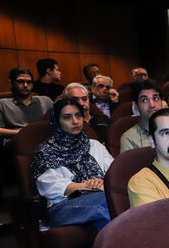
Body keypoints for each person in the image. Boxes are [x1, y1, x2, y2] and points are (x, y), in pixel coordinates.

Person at [29, 98, 112, 230]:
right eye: (67, 117)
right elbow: (52, 188)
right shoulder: (46, 152)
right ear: (57, 122)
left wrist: (102, 184)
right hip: (62, 207)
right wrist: (91, 186)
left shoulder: (94, 145)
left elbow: (114, 174)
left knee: (106, 222)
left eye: (78, 115)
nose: (75, 121)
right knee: (109, 202)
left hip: (99, 200)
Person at [120, 80, 169, 161]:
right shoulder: (129, 138)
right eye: (144, 100)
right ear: (136, 105)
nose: (152, 105)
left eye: (155, 98)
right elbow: (131, 171)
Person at [0, 67, 53, 141]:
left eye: (29, 82)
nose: (25, 85)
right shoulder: (2, 103)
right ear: (11, 83)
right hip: (17, 139)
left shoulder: (45, 101)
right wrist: (22, 132)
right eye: (20, 81)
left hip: (44, 139)